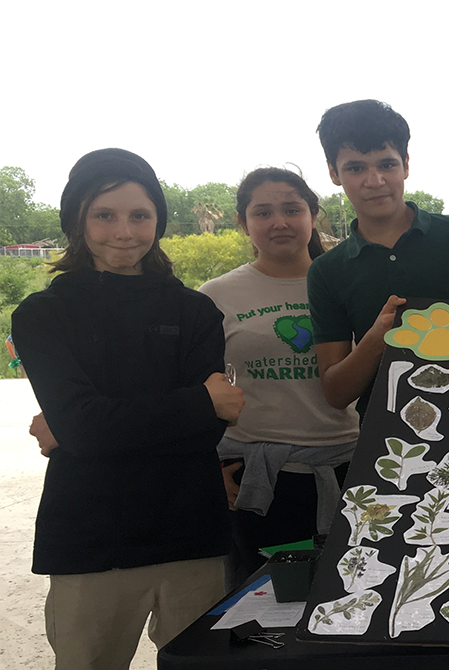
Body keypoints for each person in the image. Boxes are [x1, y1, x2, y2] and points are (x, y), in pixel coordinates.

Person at [12, 149, 243, 668]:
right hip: (90, 540)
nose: (124, 231)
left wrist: (89, 424)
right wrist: (201, 400)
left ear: (158, 221)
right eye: (104, 215)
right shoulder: (44, 314)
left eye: (140, 215)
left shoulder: (195, 310)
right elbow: (84, 428)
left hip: (192, 534)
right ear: (77, 219)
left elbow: (201, 435)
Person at [199, 168, 360, 585]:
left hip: (355, 469)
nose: (280, 222)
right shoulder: (214, 296)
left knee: (354, 596)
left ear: (312, 215)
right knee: (263, 609)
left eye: (292, 209)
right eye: (263, 212)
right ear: (243, 222)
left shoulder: (350, 284)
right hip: (258, 479)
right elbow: (196, 390)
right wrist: (209, 469)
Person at [306, 100, 449, 417]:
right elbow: (335, 392)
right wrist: (377, 339)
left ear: (406, 164)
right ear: (334, 173)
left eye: (386, 164)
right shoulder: (326, 270)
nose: (374, 180)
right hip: (388, 445)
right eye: (356, 168)